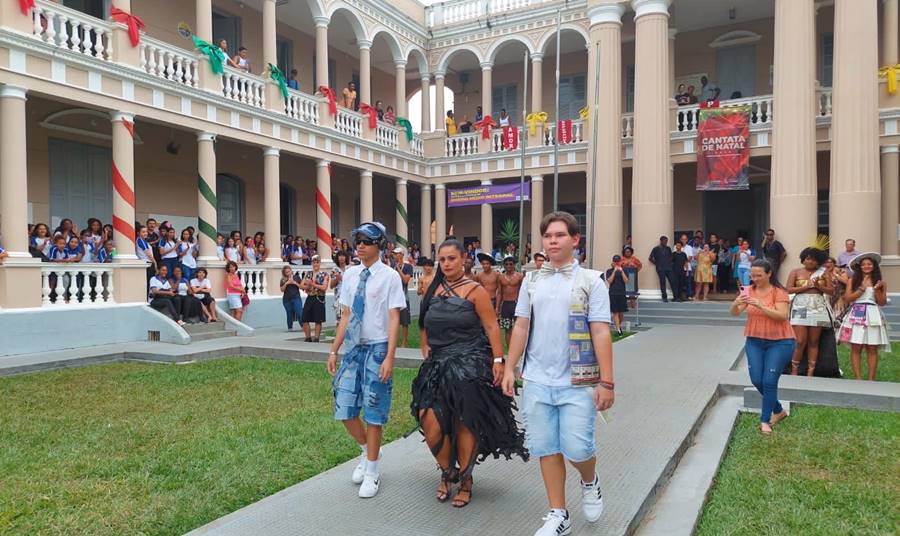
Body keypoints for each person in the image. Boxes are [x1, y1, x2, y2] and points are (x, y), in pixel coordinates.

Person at [502, 211, 613, 536]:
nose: (553, 241)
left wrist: (607, 382)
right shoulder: (532, 281)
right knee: (546, 447)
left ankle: (589, 480)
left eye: (560, 235)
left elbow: (601, 331)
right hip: (537, 380)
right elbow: (521, 326)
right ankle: (558, 514)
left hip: (577, 382)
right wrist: (509, 367)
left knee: (578, 448)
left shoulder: (591, 281)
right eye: (548, 236)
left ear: (575, 239)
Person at [413, 238, 528, 508]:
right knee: (429, 419)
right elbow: (423, 321)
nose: (446, 264)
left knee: (465, 421)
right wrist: (424, 344)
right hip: (437, 365)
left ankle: (465, 479)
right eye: (442, 259)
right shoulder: (433, 287)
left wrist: (498, 360)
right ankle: (447, 471)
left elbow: (491, 326)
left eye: (451, 258)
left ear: (464, 258)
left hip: (469, 363)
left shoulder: (475, 290)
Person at [327, 221, 406, 499]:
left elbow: (394, 318)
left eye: (366, 241)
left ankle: (372, 471)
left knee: (373, 411)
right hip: (353, 349)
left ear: (380, 245)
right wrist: (334, 350)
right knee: (345, 407)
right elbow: (346, 315)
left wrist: (390, 357)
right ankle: (367, 450)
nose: (359, 246)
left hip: (378, 347)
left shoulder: (390, 277)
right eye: (357, 241)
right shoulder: (350, 275)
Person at [729, 258, 795, 435]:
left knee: (769, 381)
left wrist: (761, 305)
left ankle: (765, 420)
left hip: (780, 341)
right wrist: (735, 303)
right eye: (752, 275)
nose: (755, 279)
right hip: (754, 341)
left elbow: (782, 316)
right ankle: (779, 410)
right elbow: (735, 313)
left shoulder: (779, 292)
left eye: (759, 275)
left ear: (769, 274)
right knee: (757, 380)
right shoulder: (748, 290)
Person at [839, 253, 890, 380]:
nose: (866, 266)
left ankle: (871, 378)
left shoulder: (880, 282)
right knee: (856, 346)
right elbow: (847, 298)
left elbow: (882, 302)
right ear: (859, 267)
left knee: (872, 347)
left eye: (869, 264)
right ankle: (858, 378)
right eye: (863, 264)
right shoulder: (852, 280)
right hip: (857, 312)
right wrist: (861, 289)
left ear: (874, 266)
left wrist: (877, 289)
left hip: (873, 313)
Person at [785, 247, 834, 376]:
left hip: (818, 307)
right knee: (800, 341)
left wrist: (819, 286)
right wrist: (806, 286)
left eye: (814, 259)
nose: (810, 262)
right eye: (807, 259)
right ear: (803, 259)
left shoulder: (824, 273)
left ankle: (810, 371)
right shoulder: (795, 272)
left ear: (818, 261)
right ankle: (794, 369)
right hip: (800, 306)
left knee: (814, 341)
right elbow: (788, 289)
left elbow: (831, 291)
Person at [301, 255, 331, 342]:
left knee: (318, 319)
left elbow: (324, 288)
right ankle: (308, 337)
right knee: (304, 317)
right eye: (314, 262)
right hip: (310, 296)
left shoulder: (324, 274)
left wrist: (313, 284)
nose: (315, 264)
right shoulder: (308, 273)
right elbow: (302, 285)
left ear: (320, 263)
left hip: (319, 297)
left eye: (317, 262)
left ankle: (316, 338)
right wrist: (307, 287)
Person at [498, 256, 524, 346]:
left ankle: (518, 349)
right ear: (504, 265)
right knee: (507, 329)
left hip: (516, 304)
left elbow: (522, 291)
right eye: (506, 264)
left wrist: (522, 304)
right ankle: (510, 351)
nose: (508, 266)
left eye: (510, 264)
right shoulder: (501, 277)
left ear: (514, 265)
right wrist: (497, 307)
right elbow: (499, 293)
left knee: (519, 328)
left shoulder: (519, 276)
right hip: (505, 304)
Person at [390, 247, 414, 346]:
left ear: (401, 255)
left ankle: (404, 344)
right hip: (393, 296)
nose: (395, 256)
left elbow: (405, 280)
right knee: (393, 320)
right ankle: (393, 342)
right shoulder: (391, 267)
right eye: (394, 254)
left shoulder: (408, 267)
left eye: (396, 254)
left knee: (404, 321)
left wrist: (399, 269)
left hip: (404, 296)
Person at [605, 255, 629, 334]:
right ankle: (618, 330)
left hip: (622, 293)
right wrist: (614, 271)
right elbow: (609, 281)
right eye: (615, 262)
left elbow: (626, 281)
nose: (616, 263)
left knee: (621, 313)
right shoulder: (609, 271)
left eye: (618, 261)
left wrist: (621, 271)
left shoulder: (624, 270)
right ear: (612, 262)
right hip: (613, 293)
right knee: (615, 312)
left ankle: (618, 326)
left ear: (620, 262)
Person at [648, 235, 676, 302]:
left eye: (666, 241)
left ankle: (675, 297)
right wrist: (657, 264)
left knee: (672, 281)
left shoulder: (668, 248)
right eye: (664, 241)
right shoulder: (656, 249)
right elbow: (650, 258)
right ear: (661, 241)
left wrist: (670, 263)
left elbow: (671, 257)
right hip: (660, 269)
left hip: (668, 268)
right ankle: (664, 297)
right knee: (663, 282)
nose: (666, 242)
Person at [280, 265, 304, 331]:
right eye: (286, 272)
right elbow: (282, 290)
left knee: (299, 312)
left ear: (291, 271)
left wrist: (294, 283)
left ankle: (303, 326)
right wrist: (286, 283)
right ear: (284, 273)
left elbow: (302, 287)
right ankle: (290, 328)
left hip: (296, 297)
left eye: (289, 271)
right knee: (289, 313)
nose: (288, 273)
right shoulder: (283, 279)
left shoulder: (297, 277)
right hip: (286, 300)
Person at [332, 250, 351, 322]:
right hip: (339, 298)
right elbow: (331, 286)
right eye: (339, 256)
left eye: (343, 255)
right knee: (339, 321)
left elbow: (352, 282)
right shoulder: (334, 269)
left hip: (349, 297)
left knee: (349, 320)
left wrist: (342, 278)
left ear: (346, 257)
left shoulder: (350, 269)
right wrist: (337, 279)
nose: (341, 257)